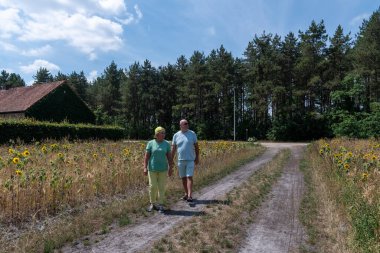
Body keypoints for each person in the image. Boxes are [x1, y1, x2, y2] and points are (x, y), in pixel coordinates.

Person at [144, 126, 173, 213]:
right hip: (152, 169)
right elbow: (146, 157)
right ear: (157, 134)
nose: (164, 134)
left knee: (161, 187)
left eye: (164, 133)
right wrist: (145, 167)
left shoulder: (166, 144)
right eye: (162, 133)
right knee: (153, 187)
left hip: (163, 169)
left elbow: (169, 157)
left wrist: (170, 167)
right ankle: (152, 204)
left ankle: (160, 204)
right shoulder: (150, 143)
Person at [171, 119, 199, 202]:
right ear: (181, 126)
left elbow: (197, 147)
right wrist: (171, 159)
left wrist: (197, 157)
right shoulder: (176, 135)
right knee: (183, 178)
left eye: (187, 123)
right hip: (180, 160)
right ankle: (186, 194)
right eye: (185, 124)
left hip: (190, 159)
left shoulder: (192, 134)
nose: (187, 125)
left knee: (189, 177)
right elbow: (173, 148)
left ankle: (190, 196)